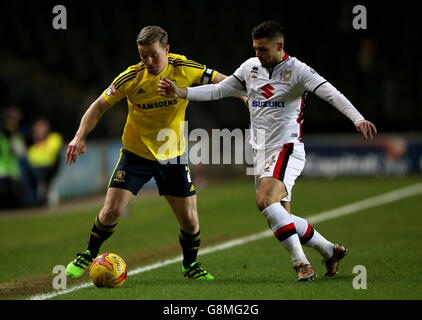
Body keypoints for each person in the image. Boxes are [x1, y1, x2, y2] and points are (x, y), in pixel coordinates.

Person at [158, 21, 377, 281]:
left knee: (264, 201)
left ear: (279, 46)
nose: (257, 54)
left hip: (287, 147)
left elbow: (331, 94)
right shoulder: (250, 68)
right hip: (260, 153)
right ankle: (330, 251)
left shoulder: (298, 70)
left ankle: (302, 265)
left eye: (262, 49)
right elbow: (218, 91)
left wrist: (357, 118)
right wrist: (181, 92)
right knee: (280, 217)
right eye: (255, 49)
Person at [65, 25, 228, 280]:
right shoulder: (130, 78)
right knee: (111, 211)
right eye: (143, 56)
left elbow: (222, 81)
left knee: (189, 220)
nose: (148, 62)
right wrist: (79, 135)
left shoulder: (183, 68)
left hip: (172, 155)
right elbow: (98, 106)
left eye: (153, 55)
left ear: (166, 49)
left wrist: (244, 96)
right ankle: (88, 253)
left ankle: (190, 265)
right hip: (135, 155)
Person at [27, 118, 63, 205]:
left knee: (41, 175)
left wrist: (40, 144)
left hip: (50, 167)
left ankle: (43, 189)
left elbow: (51, 153)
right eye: (38, 127)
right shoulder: (32, 144)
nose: (40, 129)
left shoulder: (54, 137)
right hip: (36, 169)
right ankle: (37, 197)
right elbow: (31, 158)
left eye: (42, 126)